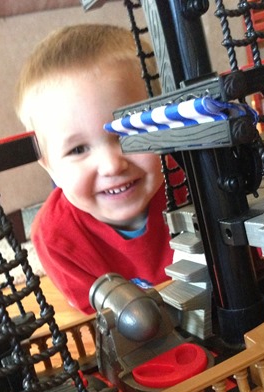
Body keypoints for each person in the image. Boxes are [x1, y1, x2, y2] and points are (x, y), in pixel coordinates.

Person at [15, 24, 186, 315]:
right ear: (50, 166)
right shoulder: (55, 237)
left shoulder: (196, 178)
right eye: (78, 150)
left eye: (127, 133)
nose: (111, 165)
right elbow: (106, 324)